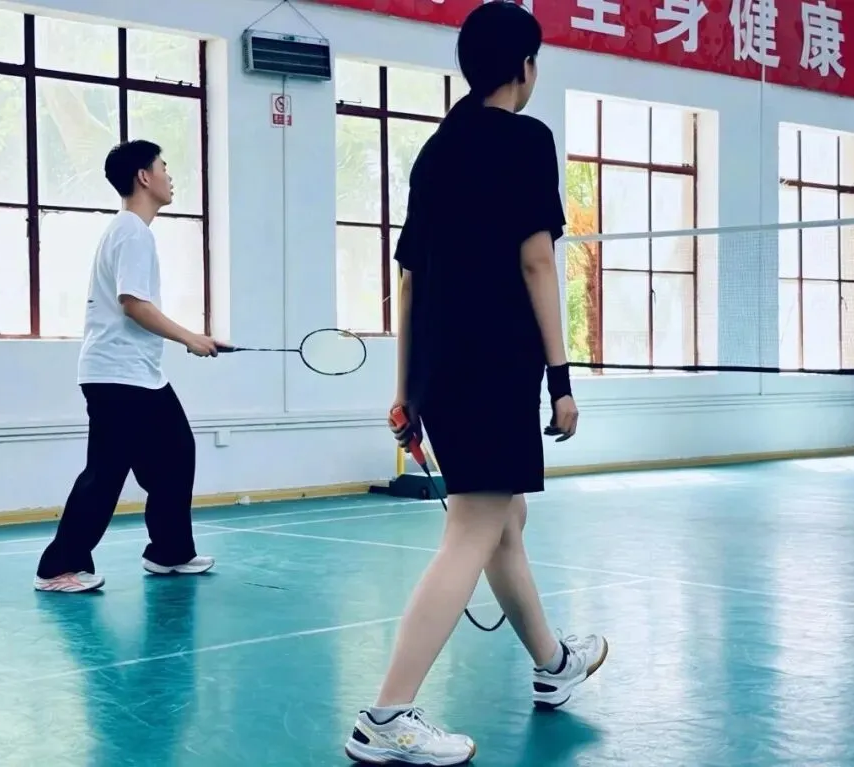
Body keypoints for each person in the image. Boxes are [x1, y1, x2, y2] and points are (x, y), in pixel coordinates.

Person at [343, 4, 608, 764]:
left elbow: (408, 280)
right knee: (472, 528)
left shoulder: (436, 151)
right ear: (524, 66)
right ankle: (387, 714)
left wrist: (406, 393)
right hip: (494, 367)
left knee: (503, 519)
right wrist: (561, 378)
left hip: (441, 368)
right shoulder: (526, 140)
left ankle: (553, 663)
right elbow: (537, 260)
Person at [34, 139, 221, 594]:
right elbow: (133, 304)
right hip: (117, 376)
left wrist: (192, 338)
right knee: (105, 473)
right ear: (143, 176)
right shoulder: (133, 232)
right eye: (163, 166)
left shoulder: (130, 231)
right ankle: (58, 568)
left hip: (140, 375)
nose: (169, 176)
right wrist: (190, 338)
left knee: (176, 455)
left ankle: (170, 551)